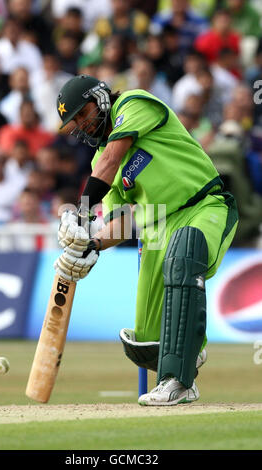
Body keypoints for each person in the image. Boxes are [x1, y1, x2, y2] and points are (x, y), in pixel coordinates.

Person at [54, 74, 238, 406]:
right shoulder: (99, 163)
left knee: (184, 253)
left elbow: (112, 159)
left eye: (84, 112)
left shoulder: (134, 103)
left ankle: (176, 381)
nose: (82, 124)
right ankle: (184, 362)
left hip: (203, 205)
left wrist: (80, 213)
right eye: (75, 121)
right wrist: (91, 245)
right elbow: (122, 223)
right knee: (146, 343)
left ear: (102, 97)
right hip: (156, 231)